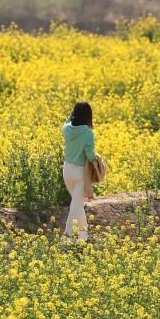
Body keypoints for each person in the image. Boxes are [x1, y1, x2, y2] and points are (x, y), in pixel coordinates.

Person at [61, 101, 96, 242]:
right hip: (80, 173)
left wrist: (72, 113)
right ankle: (67, 237)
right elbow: (89, 154)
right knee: (76, 205)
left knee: (77, 204)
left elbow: (67, 121)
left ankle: (83, 236)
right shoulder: (88, 132)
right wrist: (96, 160)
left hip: (67, 170)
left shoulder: (66, 129)